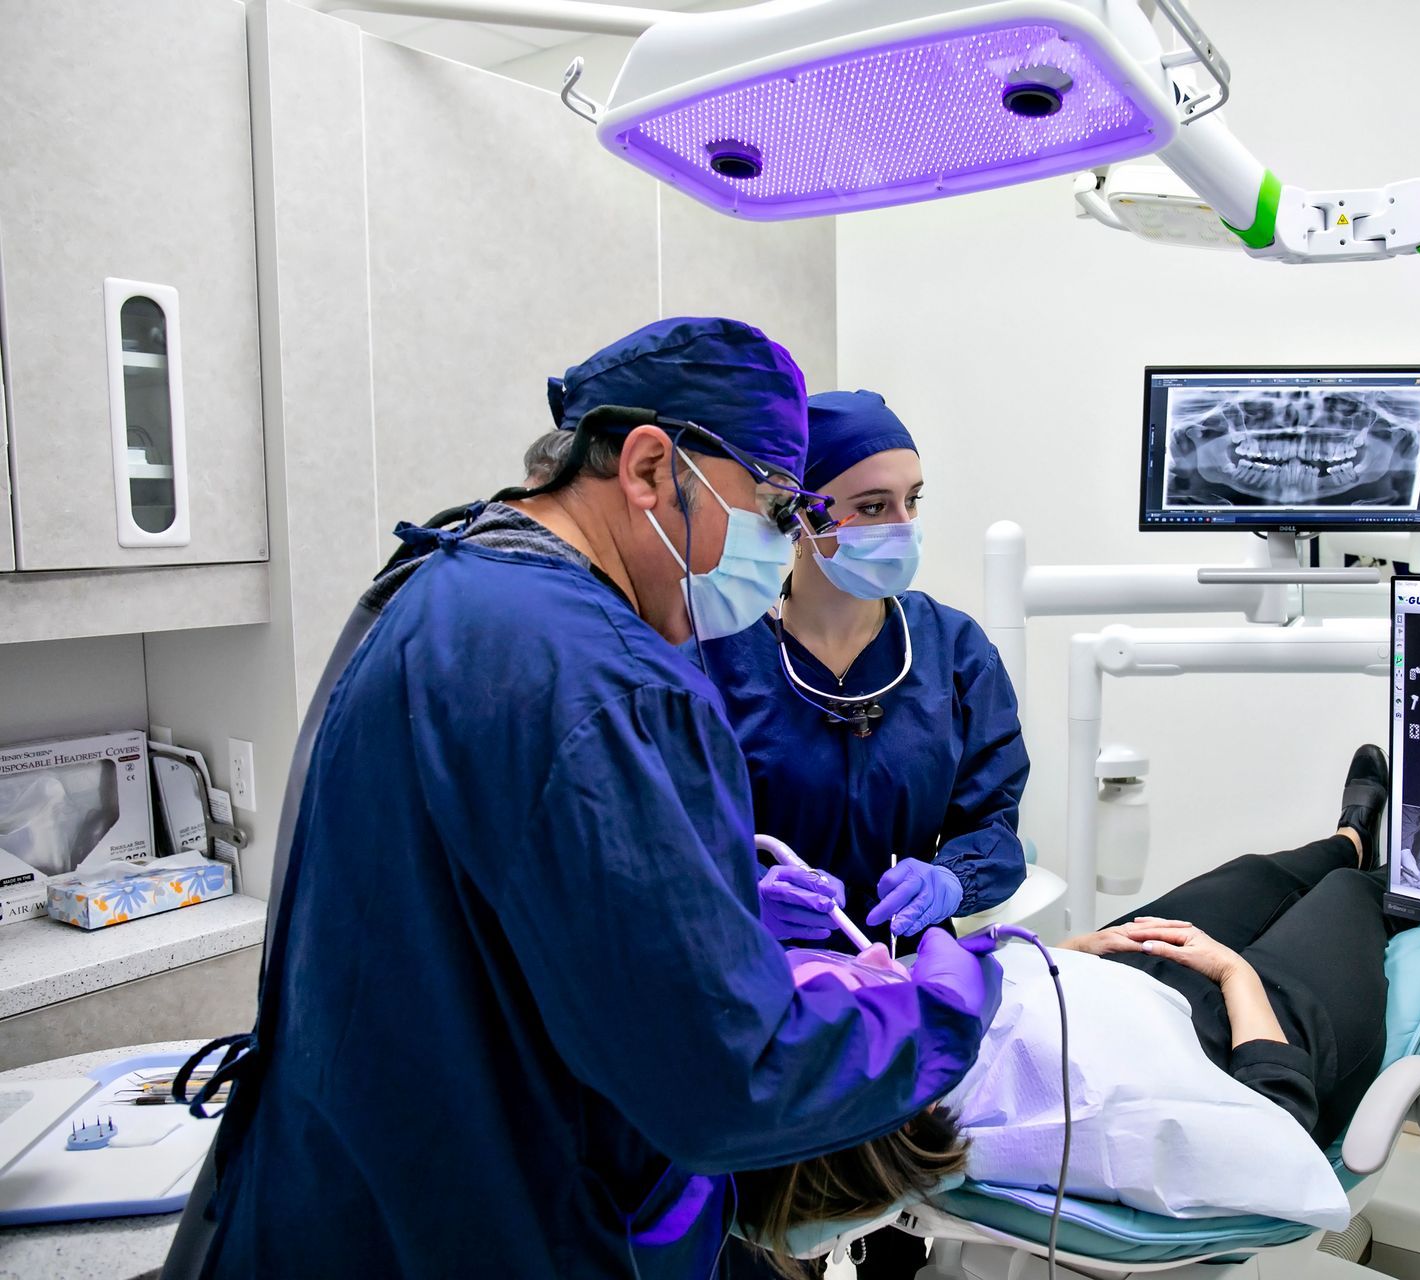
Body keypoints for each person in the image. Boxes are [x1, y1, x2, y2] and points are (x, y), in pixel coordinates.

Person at [163, 319, 1002, 1280]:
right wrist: (951, 1001)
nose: (779, 549)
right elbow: (728, 1077)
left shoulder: (449, 584)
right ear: (649, 469)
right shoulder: (610, 676)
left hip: (338, 1189)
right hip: (486, 1221)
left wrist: (710, 899)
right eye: (772, 513)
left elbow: (478, 894)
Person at [730, 745, 1408, 1274]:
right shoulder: (1085, 1122)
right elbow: (1276, 1121)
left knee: (1262, 873)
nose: (879, 958)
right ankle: (1379, 864)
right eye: (860, 984)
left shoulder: (918, 1071)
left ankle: (1349, 834)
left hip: (1130, 971)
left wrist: (1071, 954)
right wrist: (1233, 972)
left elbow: (1010, 1017)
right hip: (1262, 1029)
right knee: (1356, 898)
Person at [698, 390, 1029, 950]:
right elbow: (667, 831)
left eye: (913, 500)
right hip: (757, 971)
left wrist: (950, 880)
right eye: (874, 507)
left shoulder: (952, 650)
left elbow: (993, 824)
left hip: (908, 970)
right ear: (799, 515)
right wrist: (744, 894)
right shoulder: (719, 655)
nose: (903, 526)